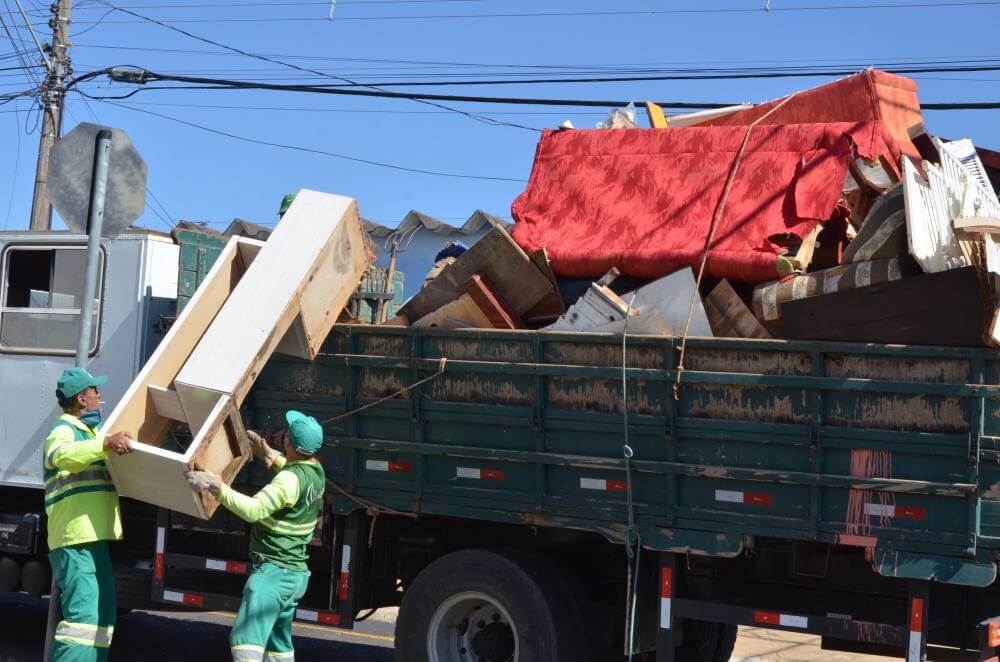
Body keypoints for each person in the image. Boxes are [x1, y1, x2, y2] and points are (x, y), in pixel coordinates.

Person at [186, 410, 326, 662]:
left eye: (285, 433)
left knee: (245, 643)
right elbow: (293, 473)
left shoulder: (288, 481)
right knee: (278, 648)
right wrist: (267, 453)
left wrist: (216, 487)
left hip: (273, 573)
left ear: (288, 442)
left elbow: (253, 510)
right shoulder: (317, 472)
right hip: (294, 575)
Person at [44, 367, 133, 661]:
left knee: (102, 619)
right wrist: (105, 443)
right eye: (96, 391)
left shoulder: (91, 433)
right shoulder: (63, 430)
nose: (100, 395)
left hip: (93, 537)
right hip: (74, 538)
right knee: (81, 620)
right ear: (82, 398)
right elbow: (62, 455)